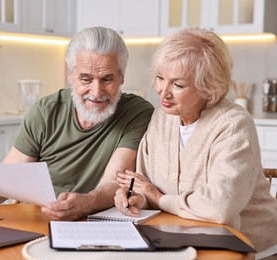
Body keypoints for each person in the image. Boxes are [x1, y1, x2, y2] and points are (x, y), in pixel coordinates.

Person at [0, 26, 154, 221]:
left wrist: (85, 203)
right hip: (35, 219)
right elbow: (7, 178)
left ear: (121, 77)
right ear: (71, 75)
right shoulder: (46, 110)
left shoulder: (137, 113)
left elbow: (113, 182)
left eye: (107, 79)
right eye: (86, 78)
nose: (96, 91)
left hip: (96, 221)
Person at [114, 26, 277, 252]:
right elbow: (145, 181)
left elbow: (219, 208)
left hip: (244, 245)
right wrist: (137, 198)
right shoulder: (161, 118)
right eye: (160, 78)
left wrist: (159, 198)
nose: (163, 92)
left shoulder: (232, 125)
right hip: (180, 237)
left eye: (178, 85)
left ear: (208, 87)